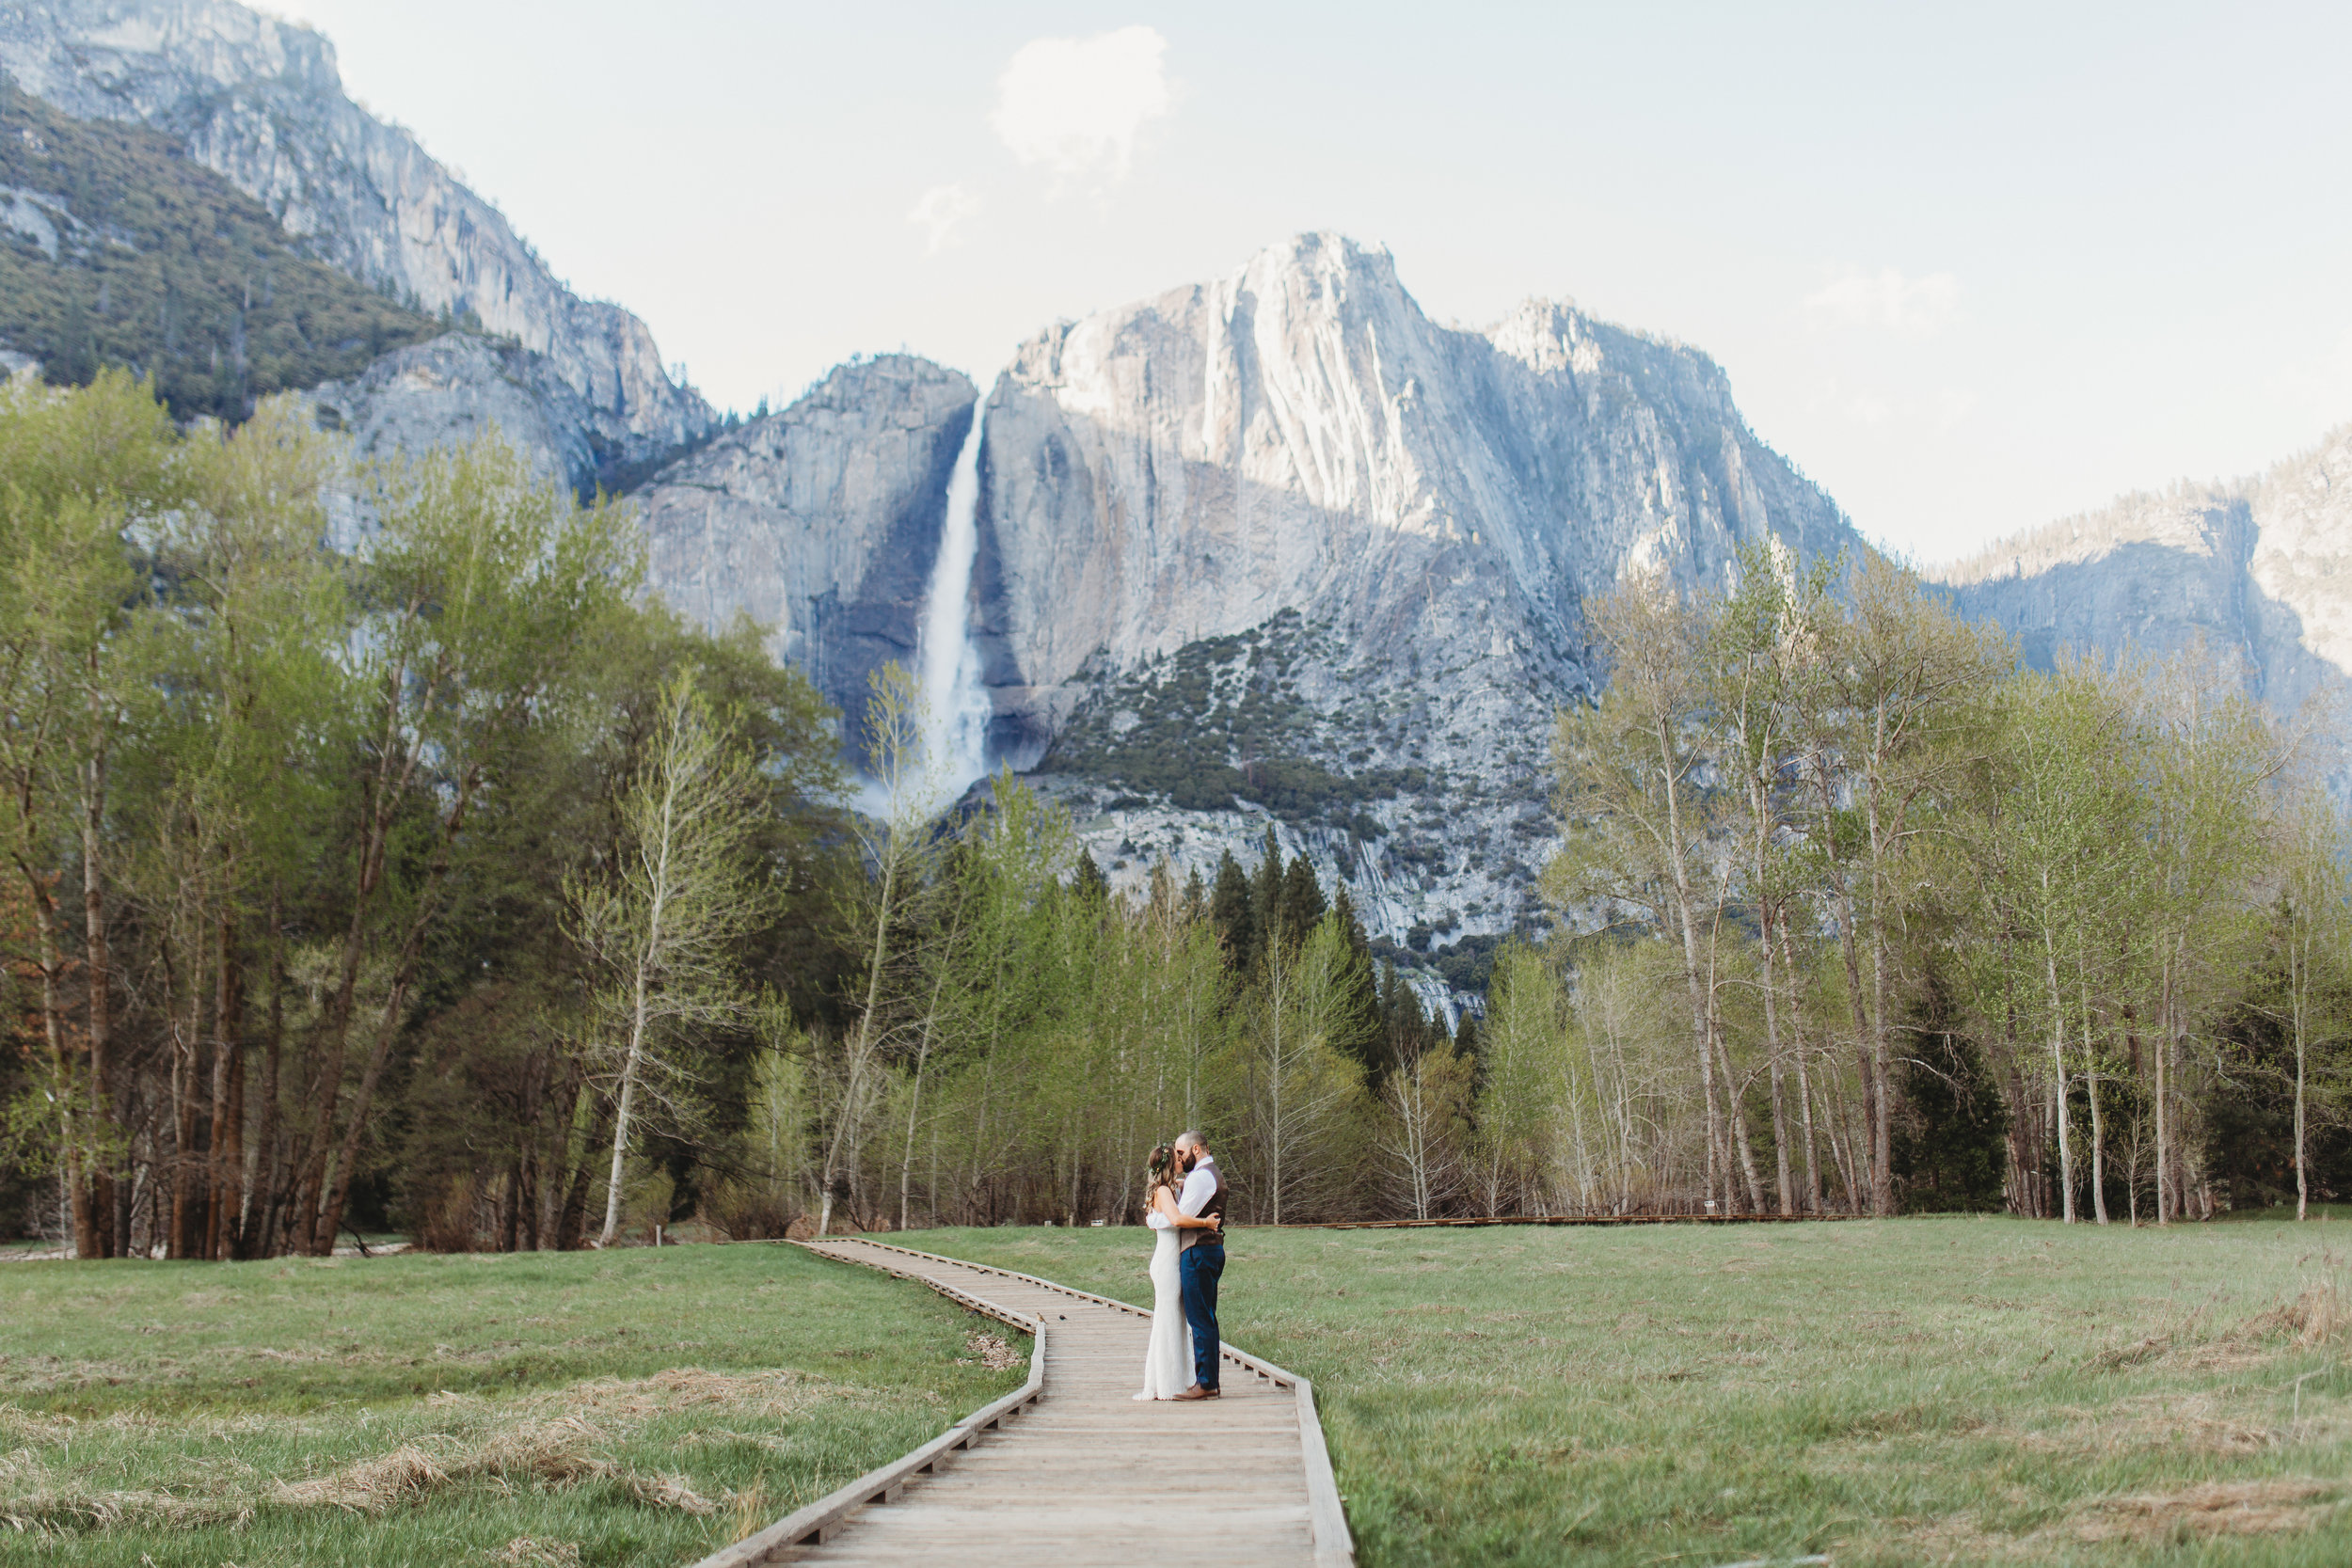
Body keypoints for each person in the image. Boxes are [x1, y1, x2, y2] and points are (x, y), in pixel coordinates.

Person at [1134, 1144, 1217, 1400]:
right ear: (1171, 1164)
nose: (1183, 1159)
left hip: (1170, 1259)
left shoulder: (1168, 1189)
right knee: (1168, 1320)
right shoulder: (1163, 1192)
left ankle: (1178, 1379)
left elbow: (1182, 1186)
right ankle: (1167, 1383)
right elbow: (1179, 1220)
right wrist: (1206, 1223)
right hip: (1168, 1264)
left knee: (1175, 1319)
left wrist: (1183, 1181)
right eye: (1178, 1158)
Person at [1171, 1129, 1227, 1401]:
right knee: (1207, 1317)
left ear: (1196, 1150)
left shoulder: (1202, 1177)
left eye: (1181, 1153)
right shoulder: (1208, 1175)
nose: (1178, 1159)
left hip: (1198, 1251)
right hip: (1210, 1249)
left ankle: (1205, 1383)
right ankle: (1209, 1380)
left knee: (1199, 1318)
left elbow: (1181, 1216)